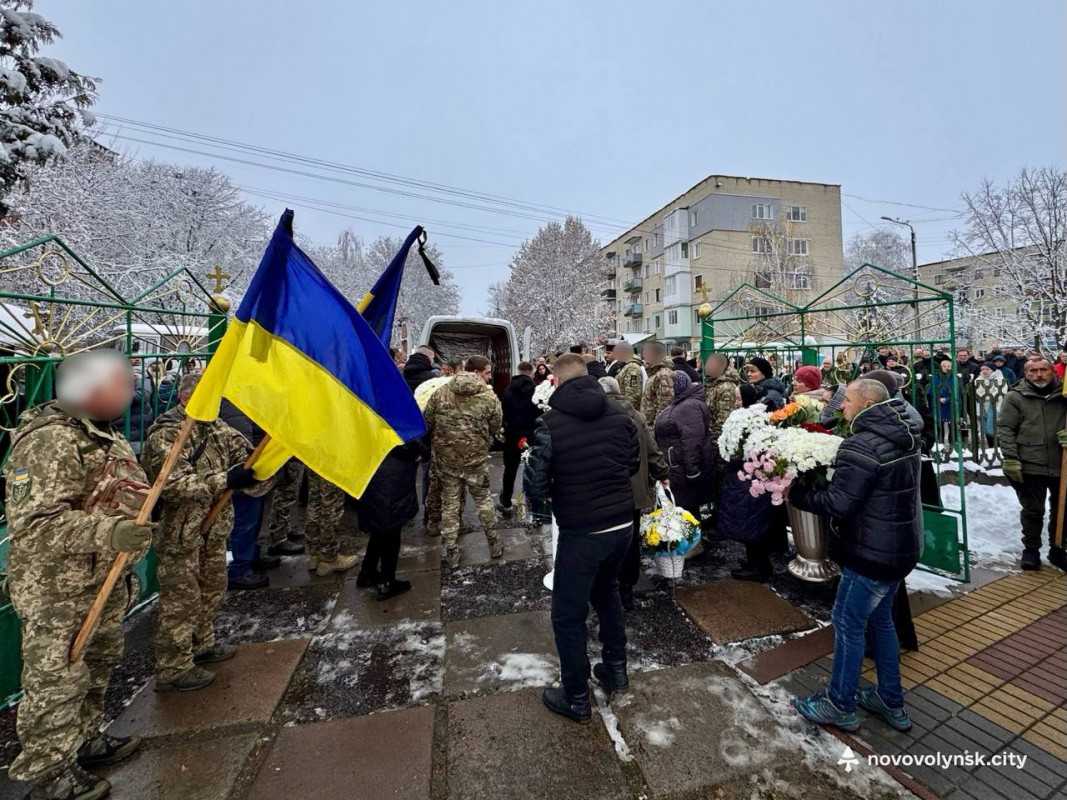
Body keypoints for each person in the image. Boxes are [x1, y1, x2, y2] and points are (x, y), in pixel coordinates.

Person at [4, 352, 152, 800]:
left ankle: (85, 741)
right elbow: (36, 524)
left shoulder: (98, 433)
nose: (129, 396)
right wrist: (112, 531)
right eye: (121, 385)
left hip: (98, 579)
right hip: (57, 589)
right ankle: (50, 778)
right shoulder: (49, 441)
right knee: (56, 682)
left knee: (97, 664)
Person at [792, 379, 922, 734]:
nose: (839, 405)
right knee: (881, 622)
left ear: (866, 404)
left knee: (849, 624)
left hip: (870, 551)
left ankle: (839, 703)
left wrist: (798, 496)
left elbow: (839, 504)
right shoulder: (906, 434)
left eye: (846, 400)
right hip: (902, 546)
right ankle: (890, 700)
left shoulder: (861, 446)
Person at [524, 355, 640, 723]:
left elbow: (536, 483)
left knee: (567, 615)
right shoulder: (621, 416)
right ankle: (616, 668)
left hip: (582, 530)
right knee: (606, 593)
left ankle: (575, 696)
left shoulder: (550, 424)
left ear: (555, 382)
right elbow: (632, 463)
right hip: (622, 524)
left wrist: (549, 499)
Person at [142, 372, 270, 693]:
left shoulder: (215, 428)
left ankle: (202, 643)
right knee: (181, 599)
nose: (217, 404)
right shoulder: (167, 435)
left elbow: (246, 454)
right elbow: (172, 484)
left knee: (212, 587)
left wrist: (259, 465)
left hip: (213, 530)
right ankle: (173, 666)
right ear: (187, 399)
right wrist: (225, 480)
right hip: (181, 533)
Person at [424, 355, 504, 569]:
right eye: (487, 372)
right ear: (477, 372)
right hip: (475, 460)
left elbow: (428, 421)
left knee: (449, 504)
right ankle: (494, 544)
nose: (489, 377)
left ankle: (451, 552)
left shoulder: (441, 392)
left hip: (447, 460)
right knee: (483, 500)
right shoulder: (488, 397)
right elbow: (497, 427)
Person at [599, 376, 669, 611]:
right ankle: (627, 590)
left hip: (606, 492)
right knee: (630, 543)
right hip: (635, 491)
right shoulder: (636, 416)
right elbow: (652, 449)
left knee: (606, 538)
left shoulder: (596, 416)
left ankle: (608, 587)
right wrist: (662, 473)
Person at [998, 358, 1067, 572]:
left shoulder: (1064, 396)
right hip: (1029, 463)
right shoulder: (1015, 397)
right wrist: (1010, 458)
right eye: (1033, 370)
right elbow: (1006, 429)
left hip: (1061, 463)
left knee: (1063, 510)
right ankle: (1031, 550)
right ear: (1026, 374)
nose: (1038, 374)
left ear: (1052, 372)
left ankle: (1058, 548)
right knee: (1032, 510)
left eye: (1043, 370)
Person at [353, 438, 427, 600]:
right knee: (392, 529)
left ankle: (368, 570)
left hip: (371, 470)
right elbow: (405, 439)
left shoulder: (365, 413)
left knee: (379, 524)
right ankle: (387, 581)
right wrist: (421, 448)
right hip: (392, 475)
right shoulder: (392, 414)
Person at [220, 398, 279, 591]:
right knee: (245, 521)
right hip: (245, 470)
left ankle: (252, 556)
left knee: (254, 517)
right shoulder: (234, 400)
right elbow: (240, 435)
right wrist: (248, 462)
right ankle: (240, 569)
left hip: (257, 467)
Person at [654, 371, 709, 518]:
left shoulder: (688, 406)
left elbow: (692, 442)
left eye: (671, 387)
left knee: (685, 511)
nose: (668, 391)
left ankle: (691, 540)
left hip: (681, 469)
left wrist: (692, 472)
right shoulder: (683, 402)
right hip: (677, 467)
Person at [500, 362, 542, 513]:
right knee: (533, 470)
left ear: (518, 370)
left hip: (512, 435)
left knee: (510, 471)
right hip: (532, 436)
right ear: (531, 371)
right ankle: (531, 503)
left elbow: (503, 412)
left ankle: (506, 500)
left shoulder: (508, 390)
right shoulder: (537, 391)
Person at [304, 471, 359, 576]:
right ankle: (328, 556)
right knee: (331, 504)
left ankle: (314, 552)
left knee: (315, 499)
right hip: (331, 461)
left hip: (313, 458)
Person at [704, 353, 741, 451]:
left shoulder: (726, 387)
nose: (706, 366)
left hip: (719, 443)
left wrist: (713, 443)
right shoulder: (712, 383)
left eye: (710, 363)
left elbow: (724, 420)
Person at [640, 342, 675, 432]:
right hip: (649, 424)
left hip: (655, 427)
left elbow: (665, 403)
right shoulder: (654, 372)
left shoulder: (663, 374)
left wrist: (656, 428)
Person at [930, 359, 959, 446]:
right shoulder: (936, 377)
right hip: (939, 404)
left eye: (948, 366)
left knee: (953, 424)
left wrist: (947, 399)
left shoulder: (955, 378)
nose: (946, 368)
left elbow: (957, 391)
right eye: (944, 366)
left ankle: (953, 443)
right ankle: (939, 443)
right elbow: (932, 389)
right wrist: (938, 398)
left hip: (951, 404)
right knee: (939, 424)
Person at [613, 342, 645, 409]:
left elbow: (633, 392)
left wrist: (626, 409)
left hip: (628, 409)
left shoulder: (632, 367)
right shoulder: (625, 366)